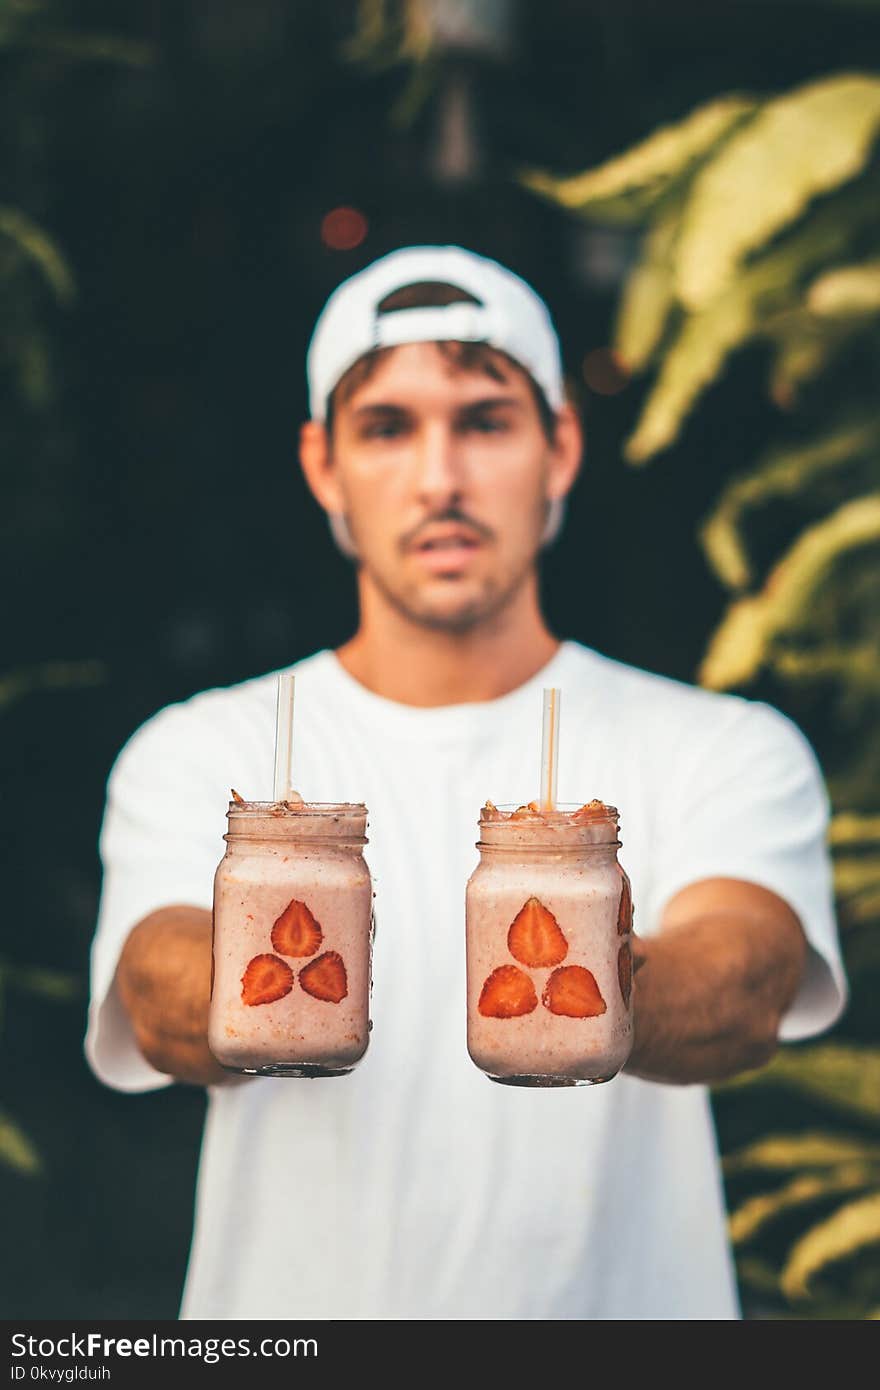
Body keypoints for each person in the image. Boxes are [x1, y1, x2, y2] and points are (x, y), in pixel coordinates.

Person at [85, 245, 847, 1321]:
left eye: (484, 421)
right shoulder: (205, 750)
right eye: (387, 428)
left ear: (560, 446)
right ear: (322, 465)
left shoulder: (720, 746)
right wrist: (275, 967)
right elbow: (161, 999)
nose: (439, 477)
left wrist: (568, 975)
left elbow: (745, 986)